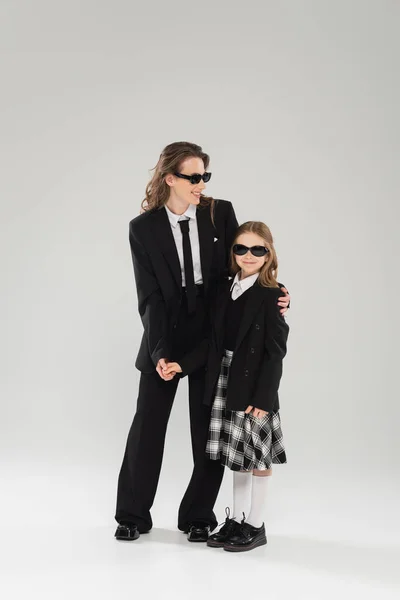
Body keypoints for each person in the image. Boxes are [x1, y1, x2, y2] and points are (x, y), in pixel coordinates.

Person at [114, 142, 291, 543]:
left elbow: (249, 260)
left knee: (207, 429)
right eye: (193, 177)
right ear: (169, 178)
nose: (201, 185)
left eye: (204, 177)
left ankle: (198, 515)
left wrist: (277, 292)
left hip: (213, 331)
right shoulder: (142, 228)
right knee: (147, 427)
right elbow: (149, 297)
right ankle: (132, 515)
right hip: (165, 331)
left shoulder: (219, 212)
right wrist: (160, 351)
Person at [164, 220, 289, 552]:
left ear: (268, 253)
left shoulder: (272, 295)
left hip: (254, 387)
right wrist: (182, 365)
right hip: (225, 380)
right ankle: (237, 520)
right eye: (241, 248)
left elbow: (276, 353)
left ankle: (256, 524)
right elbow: (211, 342)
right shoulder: (223, 290)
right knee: (236, 457)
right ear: (233, 252)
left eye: (257, 249)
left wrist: (264, 397)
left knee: (257, 459)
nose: (248, 255)